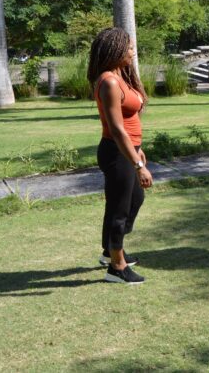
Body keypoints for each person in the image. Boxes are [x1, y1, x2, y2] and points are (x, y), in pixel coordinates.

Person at [87, 27, 153, 284]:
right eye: (128, 47)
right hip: (116, 153)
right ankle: (116, 266)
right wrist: (137, 165)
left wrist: (137, 149)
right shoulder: (110, 82)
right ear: (114, 50)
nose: (132, 51)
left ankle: (110, 249)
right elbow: (116, 129)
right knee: (120, 209)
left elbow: (130, 121)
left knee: (134, 199)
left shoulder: (119, 76)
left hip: (127, 149)